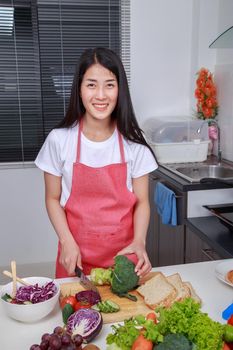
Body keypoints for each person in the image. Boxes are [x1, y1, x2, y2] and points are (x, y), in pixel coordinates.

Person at [35, 47, 158, 279]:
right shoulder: (60, 140)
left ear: (120, 90)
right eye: (91, 84)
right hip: (75, 257)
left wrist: (140, 242)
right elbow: (52, 198)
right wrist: (66, 240)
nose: (100, 95)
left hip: (124, 258)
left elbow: (142, 202)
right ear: (79, 89)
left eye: (109, 85)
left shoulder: (134, 144)